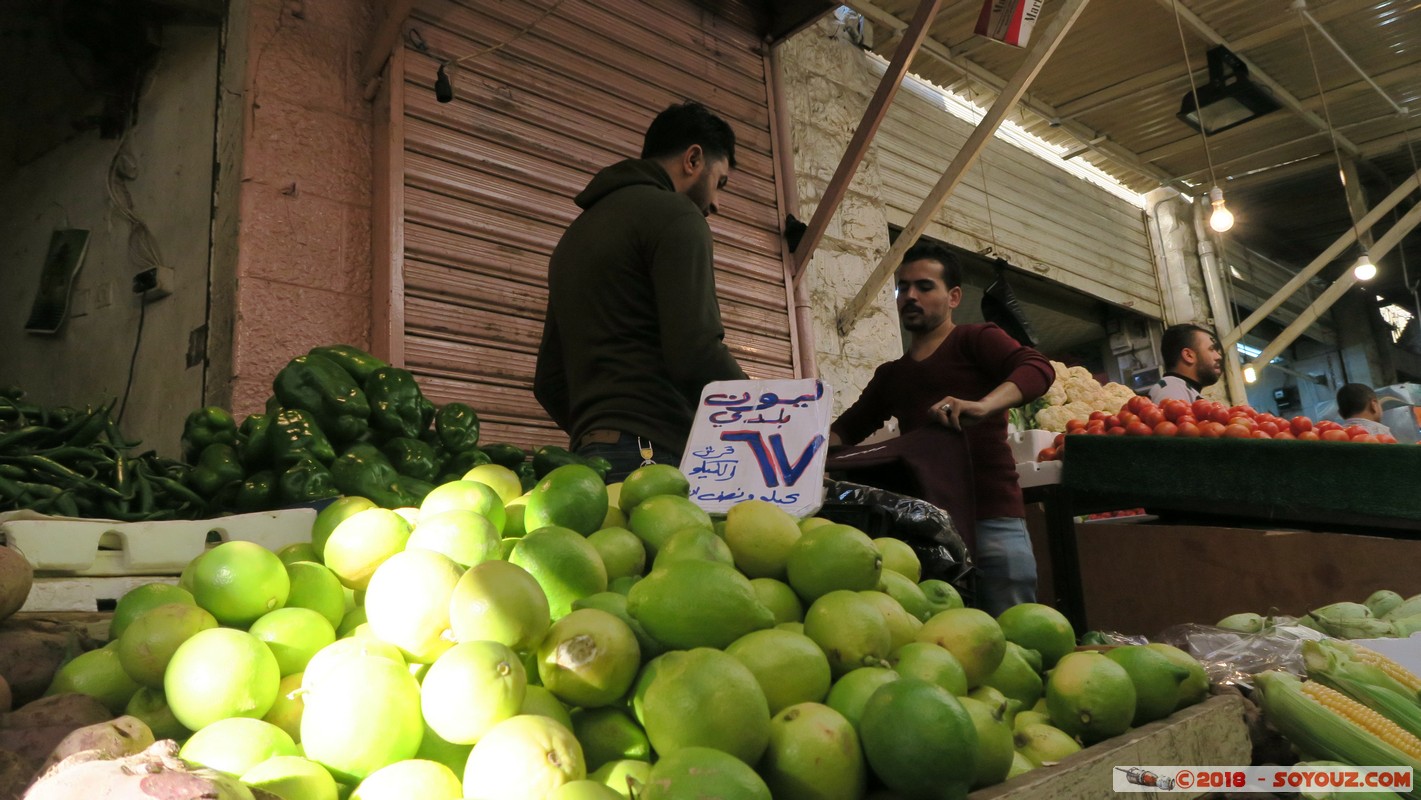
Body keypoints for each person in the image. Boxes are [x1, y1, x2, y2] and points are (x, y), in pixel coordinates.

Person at [829, 240, 1055, 615]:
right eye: (903, 288)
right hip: (928, 530)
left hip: (993, 519)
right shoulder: (892, 376)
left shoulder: (976, 339)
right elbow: (846, 430)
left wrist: (984, 405)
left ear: (953, 297)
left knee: (1018, 632)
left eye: (924, 286)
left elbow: (1037, 368)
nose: (910, 296)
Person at [534, 101, 747, 482]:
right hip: (655, 453)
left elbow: (549, 381)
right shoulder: (678, 217)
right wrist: (763, 417)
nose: (715, 203)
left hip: (588, 462)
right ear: (693, 159)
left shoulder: (573, 238)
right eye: (720, 183)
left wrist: (603, 431)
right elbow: (696, 351)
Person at [1144, 323, 1223, 404]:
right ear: (1188, 355)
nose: (1219, 356)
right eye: (1212, 349)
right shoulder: (1172, 390)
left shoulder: (1179, 389)